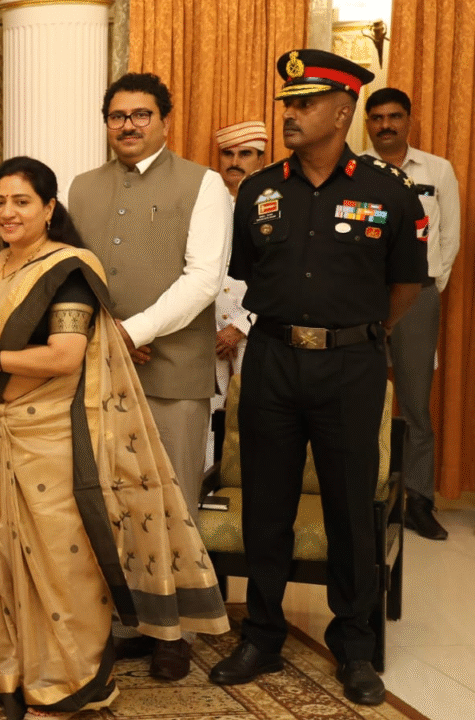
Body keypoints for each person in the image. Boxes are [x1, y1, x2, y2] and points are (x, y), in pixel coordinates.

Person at [0, 157, 228, 719]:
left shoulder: (69, 269)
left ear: (50, 208)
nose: (8, 212)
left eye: (22, 201)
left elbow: (65, 356)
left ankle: (65, 678)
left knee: (59, 563)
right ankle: (6, 669)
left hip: (54, 437)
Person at [208, 50, 428, 707]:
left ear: (342, 111)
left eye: (305, 104)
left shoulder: (388, 190)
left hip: (350, 366)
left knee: (351, 509)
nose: (291, 114)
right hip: (272, 360)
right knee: (266, 504)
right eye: (288, 104)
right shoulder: (259, 189)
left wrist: (355, 334)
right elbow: (249, 273)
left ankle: (354, 646)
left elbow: (405, 286)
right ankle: (262, 635)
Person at [68, 72, 232, 680]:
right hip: (96, 371)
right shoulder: (81, 186)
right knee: (109, 498)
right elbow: (70, 271)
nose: (128, 125)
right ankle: (125, 621)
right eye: (118, 116)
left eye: (141, 115)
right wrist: (101, 334)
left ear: (165, 120)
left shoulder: (203, 183)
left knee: (171, 501)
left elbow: (204, 278)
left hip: (172, 370)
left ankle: (175, 632)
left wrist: (130, 333)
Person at [364, 87, 462, 541]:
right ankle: (363, 498)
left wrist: (428, 287)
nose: (386, 125)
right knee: (359, 401)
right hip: (363, 297)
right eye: (377, 117)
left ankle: (418, 501)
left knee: (416, 404)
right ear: (367, 123)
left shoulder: (437, 170)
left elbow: (449, 237)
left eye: (394, 116)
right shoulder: (356, 169)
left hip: (418, 297)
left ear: (408, 120)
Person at [210, 121, 267, 462]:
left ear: (261, 159)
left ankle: (249, 484)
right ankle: (206, 484)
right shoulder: (204, 202)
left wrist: (241, 326)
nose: (234, 161)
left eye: (245, 153)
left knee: (254, 414)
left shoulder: (274, 203)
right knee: (207, 416)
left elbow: (280, 274)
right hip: (208, 328)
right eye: (227, 153)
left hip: (256, 327)